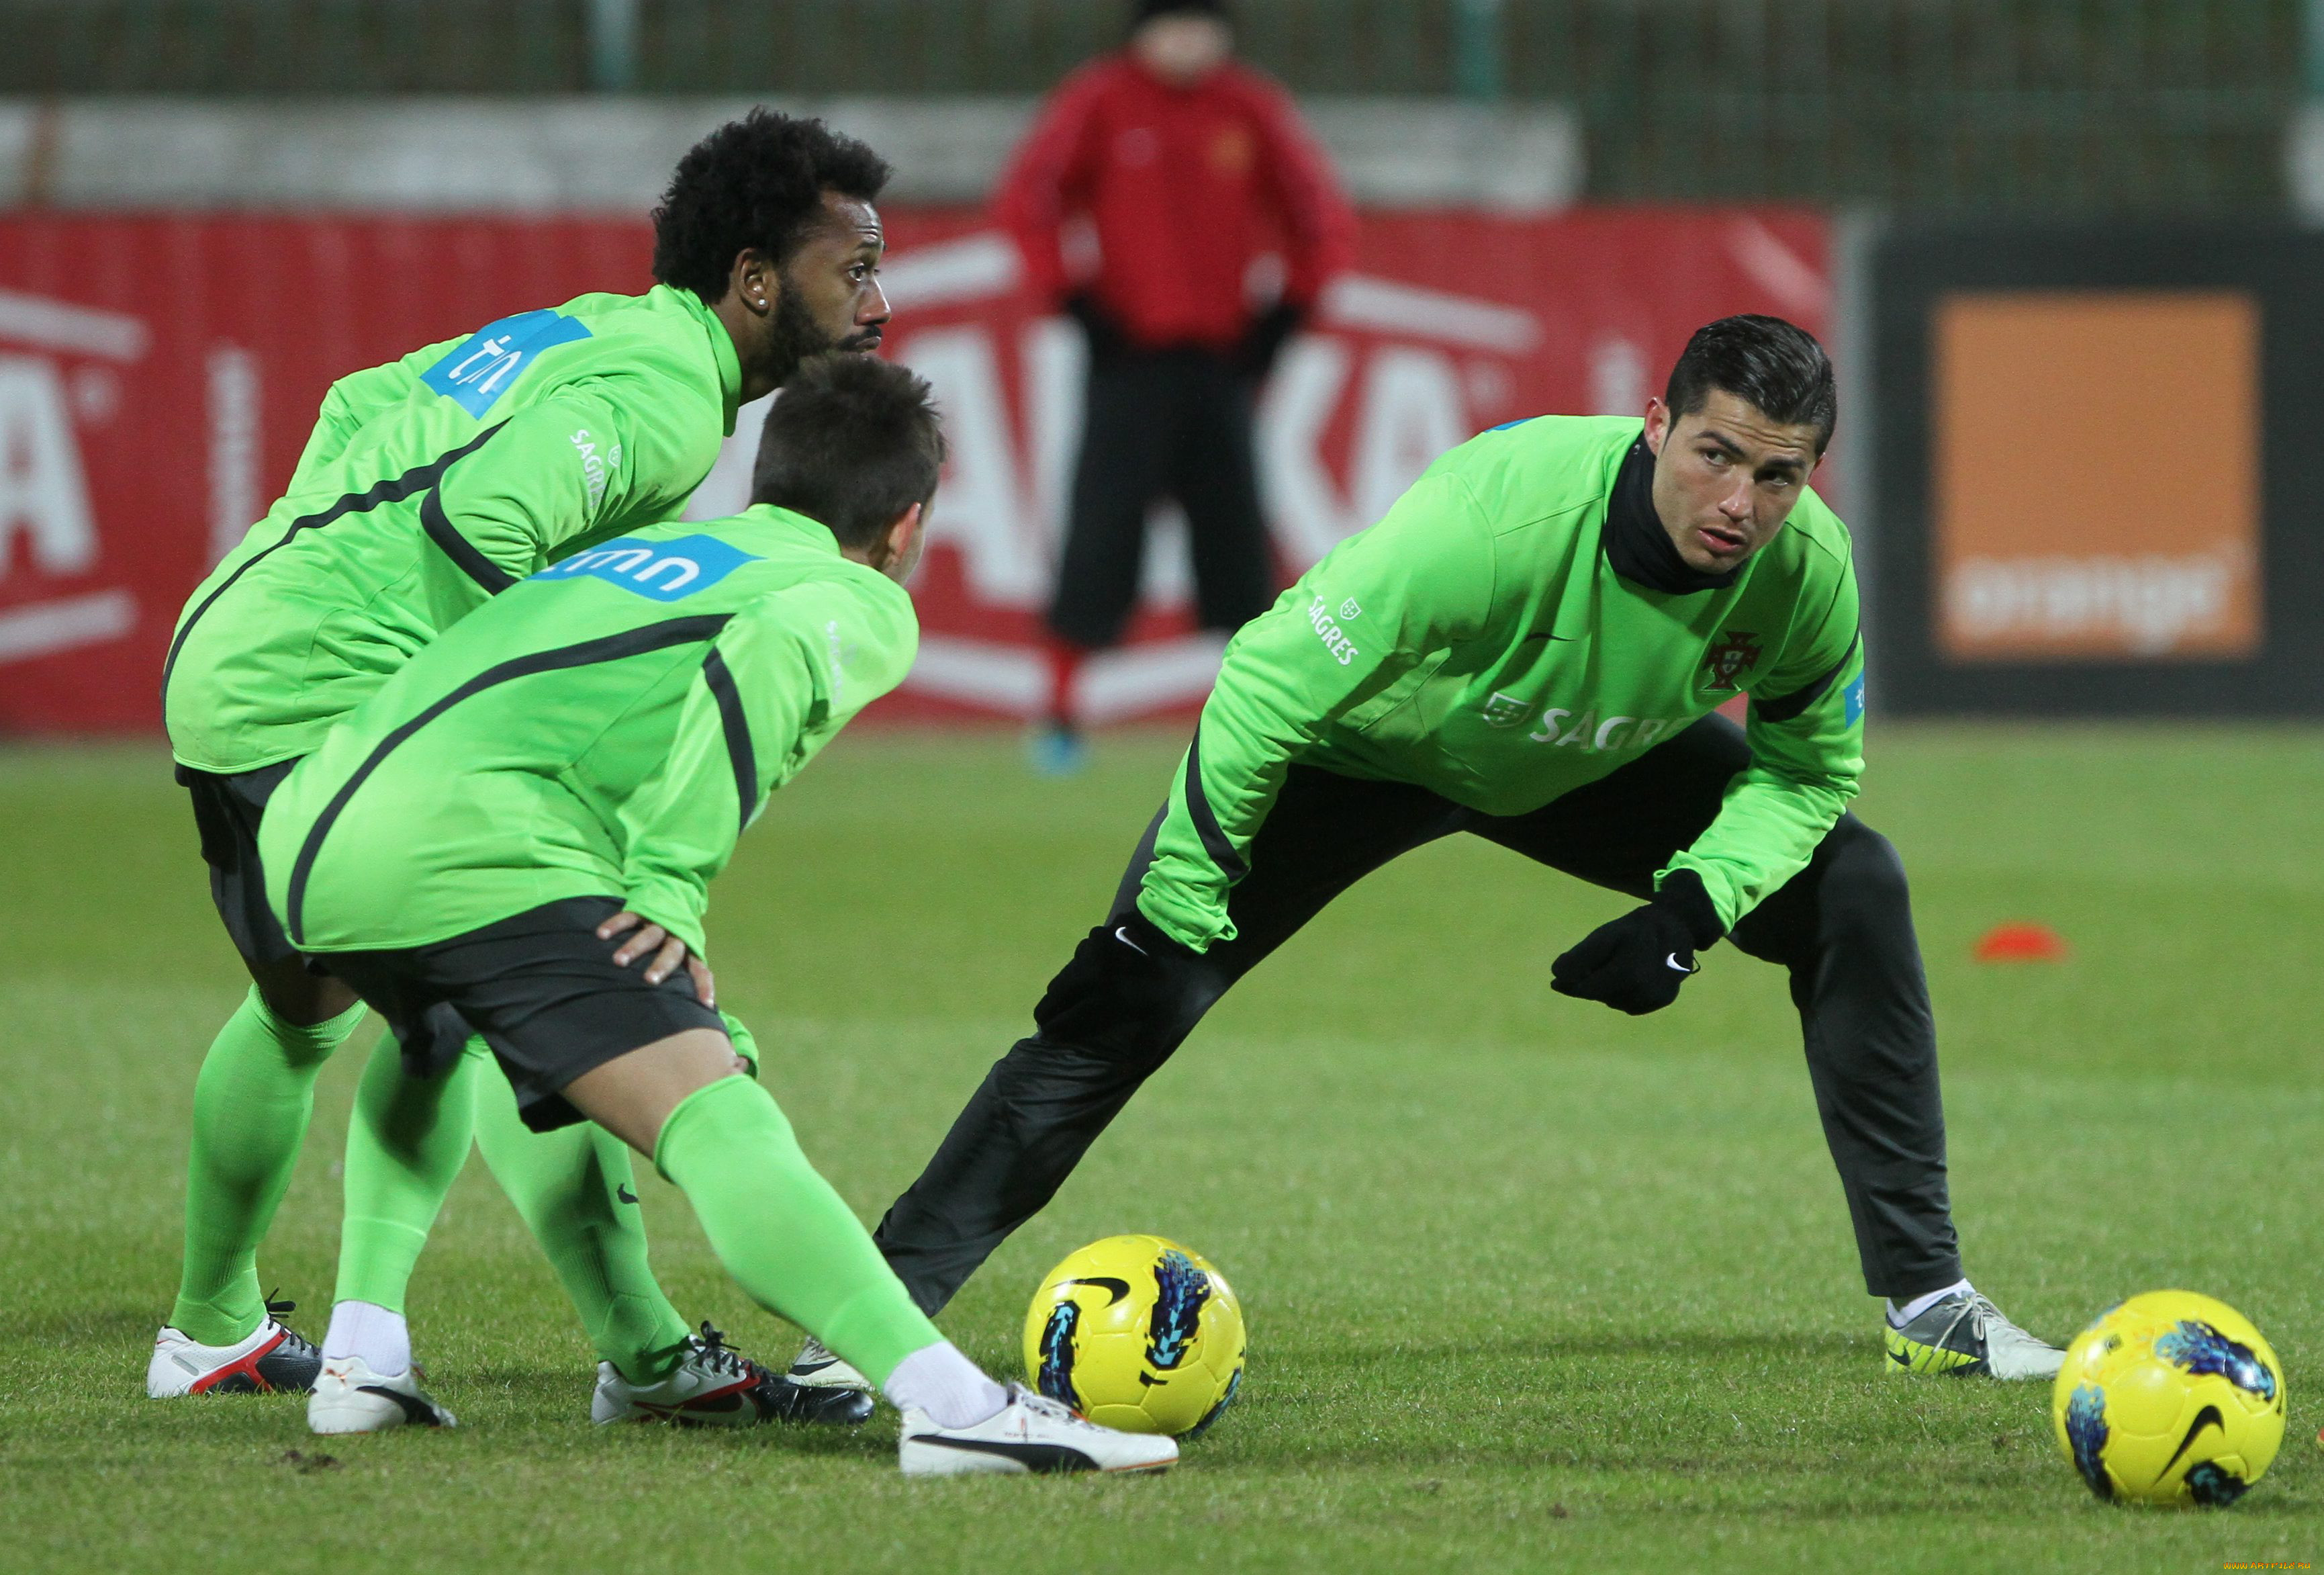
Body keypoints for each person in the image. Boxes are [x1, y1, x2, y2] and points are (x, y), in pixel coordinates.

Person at [788, 316, 2065, 1397]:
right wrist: (1168, 912)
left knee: (1858, 885)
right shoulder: (1491, 526)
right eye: (1717, 455)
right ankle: (871, 1330)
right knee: (1126, 1003)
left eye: (1778, 477)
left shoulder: (1808, 580)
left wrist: (1692, 906)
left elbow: (1804, 776)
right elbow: (1266, 682)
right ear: (1654, 424)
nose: (1739, 503)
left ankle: (1929, 1302)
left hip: (1582, 758)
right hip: (1361, 755)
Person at [252, 354, 1175, 1475]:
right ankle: (949, 1406)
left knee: (478, 1044)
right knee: (708, 1101)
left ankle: (366, 1358)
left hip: (312, 829)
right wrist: (669, 886)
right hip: (468, 843)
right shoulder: (850, 595)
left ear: (766, 476)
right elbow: (773, 656)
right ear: (907, 522)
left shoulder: (659, 550)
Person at [149, 109, 889, 1429]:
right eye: (855, 268)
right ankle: (633, 1355)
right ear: (757, 278)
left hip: (241, 642)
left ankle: (212, 1328)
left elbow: (358, 408)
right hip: (324, 677)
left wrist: (320, 564)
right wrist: (515, 688)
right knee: (488, 995)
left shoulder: (595, 329)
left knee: (311, 1004)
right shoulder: (666, 400)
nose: (876, 302)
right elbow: (480, 516)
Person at [994, 0, 1357, 772]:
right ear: (1142, 33)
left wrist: (1287, 311)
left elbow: (1318, 217)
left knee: (1236, 552)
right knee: (1099, 536)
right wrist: (1073, 298)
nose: (1189, 42)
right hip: (1127, 361)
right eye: (1173, 25)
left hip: (1219, 366)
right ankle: (1058, 716)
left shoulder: (1248, 107)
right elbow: (1029, 199)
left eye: (1203, 25)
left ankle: (1261, 722)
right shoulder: (1100, 100)